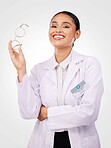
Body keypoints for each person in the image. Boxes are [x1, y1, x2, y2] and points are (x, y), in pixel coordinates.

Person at [8, 11, 104, 148]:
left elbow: (89, 112)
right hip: (44, 140)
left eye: (65, 26)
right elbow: (28, 112)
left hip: (81, 141)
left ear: (77, 34)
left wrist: (46, 112)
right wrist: (21, 70)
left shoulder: (89, 64)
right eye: (53, 26)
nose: (58, 30)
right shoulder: (39, 70)